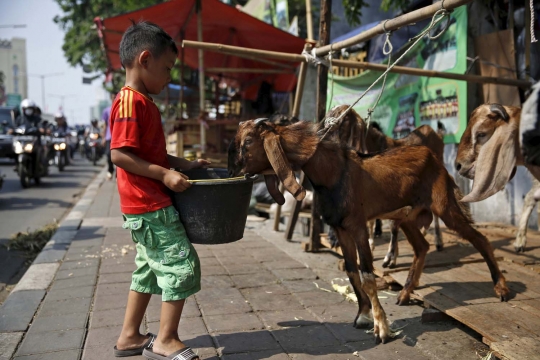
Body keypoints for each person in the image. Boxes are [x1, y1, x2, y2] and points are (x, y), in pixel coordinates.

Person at [111, 21, 209, 360]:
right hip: (149, 204)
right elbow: (120, 155)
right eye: (167, 69)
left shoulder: (142, 102)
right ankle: (166, 340)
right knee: (181, 264)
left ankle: (129, 336)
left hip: (144, 206)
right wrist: (164, 176)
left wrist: (182, 164)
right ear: (145, 59)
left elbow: (149, 154)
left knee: (149, 270)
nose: (169, 78)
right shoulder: (130, 102)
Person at [101, 93, 116, 179]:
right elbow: (105, 125)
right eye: (113, 97)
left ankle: (118, 174)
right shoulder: (106, 111)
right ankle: (110, 170)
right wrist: (103, 138)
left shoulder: (121, 109)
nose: (114, 99)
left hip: (118, 136)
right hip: (109, 137)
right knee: (108, 155)